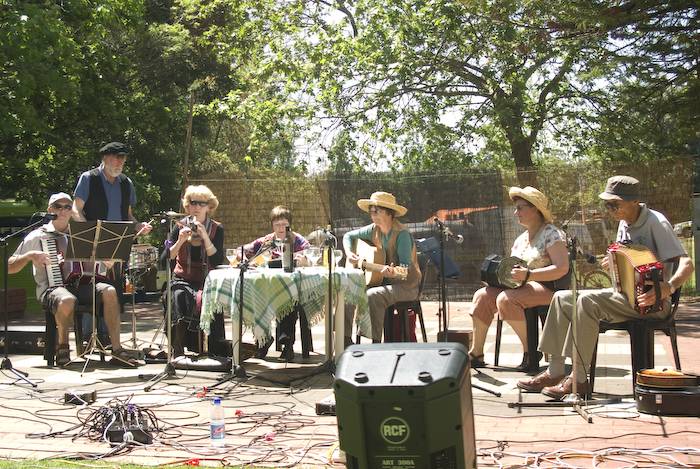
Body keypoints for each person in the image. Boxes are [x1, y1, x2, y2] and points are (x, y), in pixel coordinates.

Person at [518, 176, 694, 400]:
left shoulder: (656, 223)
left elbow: (687, 264)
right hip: (624, 296)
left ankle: (579, 380)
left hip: (651, 302)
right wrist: (613, 263)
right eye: (607, 204)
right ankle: (554, 371)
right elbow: (628, 260)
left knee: (586, 302)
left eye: (614, 204)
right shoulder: (624, 222)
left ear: (634, 202)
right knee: (562, 297)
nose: (610, 209)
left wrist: (668, 288)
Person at [8, 193, 139, 367]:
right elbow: (10, 267)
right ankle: (63, 347)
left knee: (109, 291)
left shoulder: (80, 235)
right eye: (58, 206)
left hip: (81, 285)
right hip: (52, 287)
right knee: (67, 299)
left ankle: (116, 350)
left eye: (67, 207)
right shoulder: (38, 236)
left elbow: (99, 268)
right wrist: (31, 256)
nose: (63, 210)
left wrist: (107, 261)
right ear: (50, 210)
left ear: (72, 212)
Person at [468, 187, 570, 370]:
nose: (516, 212)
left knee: (506, 299)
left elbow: (562, 268)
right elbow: (515, 270)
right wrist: (497, 277)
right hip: (522, 286)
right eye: (516, 208)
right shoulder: (520, 239)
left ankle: (531, 352)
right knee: (482, 296)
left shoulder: (552, 233)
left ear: (536, 210)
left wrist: (530, 275)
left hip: (551, 288)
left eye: (521, 208)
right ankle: (476, 353)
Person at [343, 191, 421, 344]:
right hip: (384, 283)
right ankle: (345, 338)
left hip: (406, 286)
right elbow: (348, 236)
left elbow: (405, 270)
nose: (372, 214)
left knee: (373, 295)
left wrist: (393, 273)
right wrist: (349, 253)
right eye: (371, 210)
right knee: (348, 288)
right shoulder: (373, 229)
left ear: (389, 213)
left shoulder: (402, 235)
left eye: (376, 210)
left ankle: (376, 343)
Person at [241, 206, 310, 360]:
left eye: (283, 225)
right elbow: (244, 251)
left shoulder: (298, 240)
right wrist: (246, 259)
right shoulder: (266, 241)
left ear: (289, 224)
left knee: (288, 301)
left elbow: (311, 255)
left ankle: (287, 344)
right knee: (256, 299)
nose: (280, 228)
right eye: (276, 225)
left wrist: (304, 260)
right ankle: (263, 340)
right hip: (268, 287)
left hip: (292, 287)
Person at [162, 185, 224, 357]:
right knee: (177, 295)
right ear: (187, 206)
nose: (196, 207)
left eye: (201, 204)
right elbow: (165, 259)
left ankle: (211, 349)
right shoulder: (179, 226)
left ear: (209, 207)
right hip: (183, 278)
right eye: (192, 203)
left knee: (209, 298)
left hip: (207, 281)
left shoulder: (217, 229)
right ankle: (178, 347)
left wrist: (205, 236)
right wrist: (180, 240)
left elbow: (217, 260)